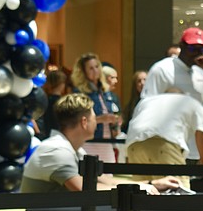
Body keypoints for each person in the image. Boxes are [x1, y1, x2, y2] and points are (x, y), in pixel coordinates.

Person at [20, 93, 178, 194]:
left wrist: (151, 183)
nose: (97, 123)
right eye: (95, 118)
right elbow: (84, 190)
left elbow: (104, 181)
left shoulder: (73, 149)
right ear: (84, 122)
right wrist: (139, 189)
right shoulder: (56, 150)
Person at [142, 27, 203, 164]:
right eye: (192, 49)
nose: (197, 54)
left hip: (195, 150)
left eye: (201, 50)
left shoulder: (202, 73)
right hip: (167, 146)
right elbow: (146, 106)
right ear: (181, 47)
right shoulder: (162, 69)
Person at [71, 52, 120, 163]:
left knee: (109, 175)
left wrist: (115, 123)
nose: (95, 71)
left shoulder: (104, 91)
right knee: (91, 175)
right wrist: (101, 119)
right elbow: (77, 120)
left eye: (97, 66)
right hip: (89, 141)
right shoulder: (80, 92)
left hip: (107, 141)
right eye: (91, 68)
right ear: (83, 72)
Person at [38, 69, 68, 139]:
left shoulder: (45, 99)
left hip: (46, 132)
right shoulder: (62, 102)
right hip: (59, 134)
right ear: (61, 84)